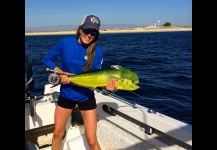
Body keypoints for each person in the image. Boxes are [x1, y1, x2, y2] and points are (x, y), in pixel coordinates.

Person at [42, 15, 117, 150]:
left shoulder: (97, 52)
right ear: (80, 29)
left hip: (86, 96)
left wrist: (107, 87)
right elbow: (47, 59)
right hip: (66, 95)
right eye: (87, 30)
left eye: (93, 32)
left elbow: (96, 78)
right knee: (57, 133)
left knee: (91, 139)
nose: (89, 35)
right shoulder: (66, 43)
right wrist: (60, 72)